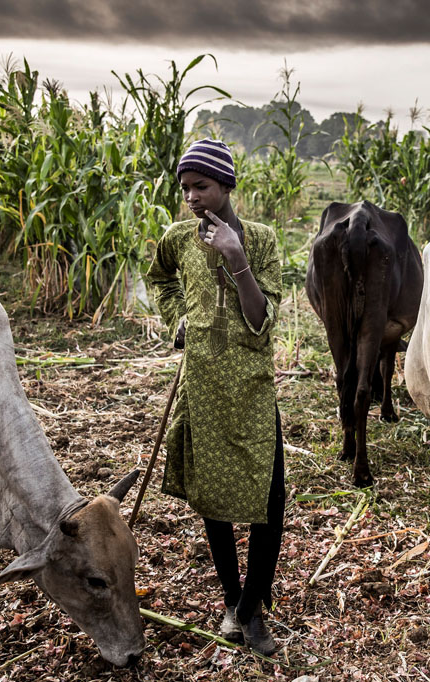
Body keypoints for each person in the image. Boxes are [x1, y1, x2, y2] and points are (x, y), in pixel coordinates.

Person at [147, 139, 285, 655]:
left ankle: (253, 610)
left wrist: (236, 257)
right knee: (214, 500)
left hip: (250, 388)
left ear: (226, 185)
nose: (191, 197)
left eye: (201, 186)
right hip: (201, 385)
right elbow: (159, 279)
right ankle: (233, 603)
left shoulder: (263, 240)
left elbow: (261, 319)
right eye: (185, 188)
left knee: (269, 502)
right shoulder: (179, 238)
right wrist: (176, 319)